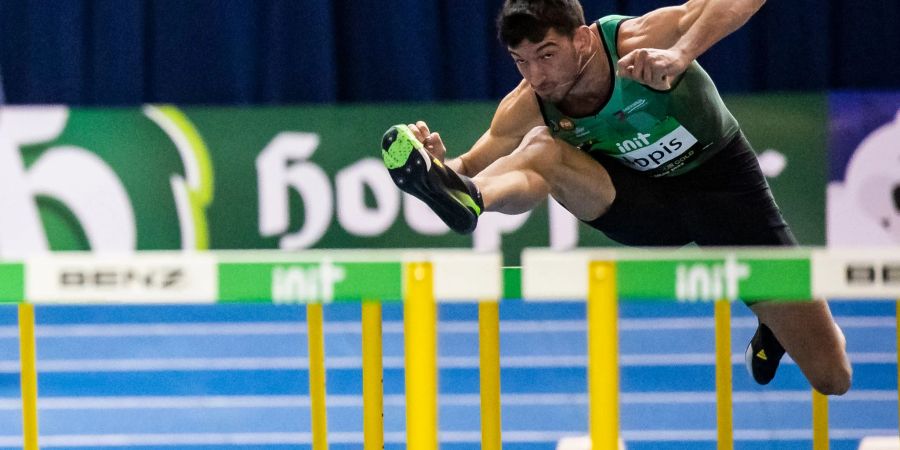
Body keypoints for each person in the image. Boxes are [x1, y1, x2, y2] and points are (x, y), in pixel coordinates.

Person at [381, 0, 851, 394]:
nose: (537, 76)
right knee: (541, 149)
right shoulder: (529, 102)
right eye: (521, 61)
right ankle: (475, 202)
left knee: (833, 377)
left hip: (724, 190)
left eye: (546, 55)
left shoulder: (639, 40)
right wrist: (442, 166)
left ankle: (776, 326)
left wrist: (680, 54)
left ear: (582, 40)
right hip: (640, 206)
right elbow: (473, 160)